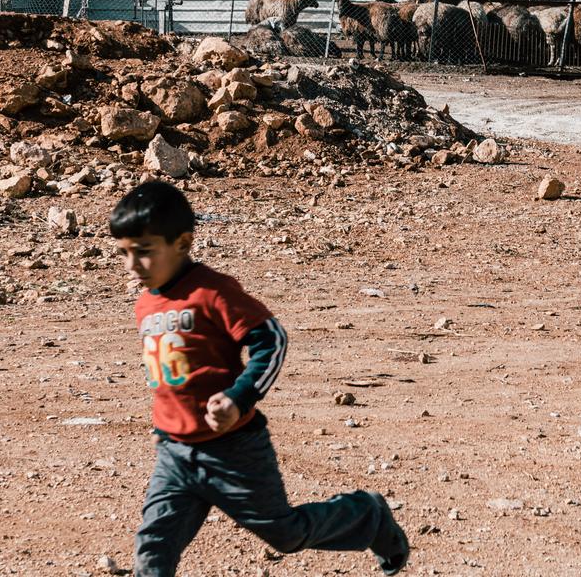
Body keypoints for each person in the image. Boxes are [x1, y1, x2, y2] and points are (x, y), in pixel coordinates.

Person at [111, 180, 409, 576]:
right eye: (124, 253)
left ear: (182, 243)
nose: (132, 265)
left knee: (285, 534)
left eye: (144, 252)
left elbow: (271, 339)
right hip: (176, 455)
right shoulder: (146, 303)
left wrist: (239, 398)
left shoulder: (212, 292)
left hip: (234, 451)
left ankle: (368, 516)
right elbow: (170, 373)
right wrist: (165, 425)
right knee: (153, 550)